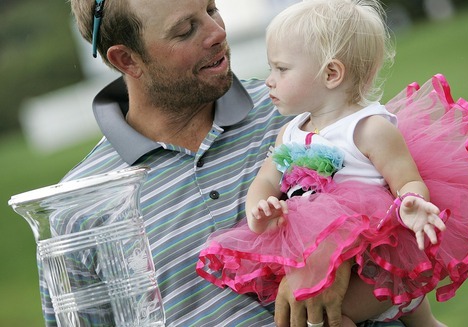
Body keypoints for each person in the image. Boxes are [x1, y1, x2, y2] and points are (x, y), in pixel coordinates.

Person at [33, 0, 419, 326]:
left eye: (211, 9)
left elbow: (457, 220)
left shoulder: (303, 109)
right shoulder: (77, 208)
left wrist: (339, 261)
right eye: (185, 30)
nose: (216, 31)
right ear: (127, 59)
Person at [197, 0, 468, 326]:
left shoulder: (369, 128)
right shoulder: (290, 132)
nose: (269, 79)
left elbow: (406, 180)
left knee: (338, 317)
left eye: (281, 69)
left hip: (377, 252)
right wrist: (259, 211)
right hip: (321, 249)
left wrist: (411, 201)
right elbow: (266, 180)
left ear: (331, 73)